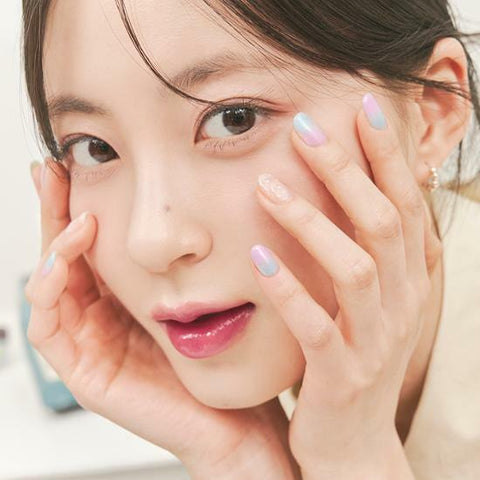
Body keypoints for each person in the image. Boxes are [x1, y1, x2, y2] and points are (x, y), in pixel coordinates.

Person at [22, 0, 480, 478]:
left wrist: (354, 457)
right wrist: (239, 458)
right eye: (94, 149)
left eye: (234, 118)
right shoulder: (279, 369)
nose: (152, 241)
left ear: (432, 112)